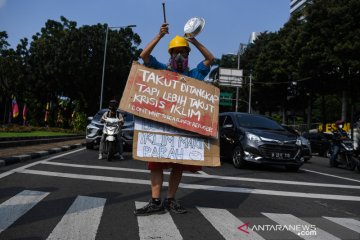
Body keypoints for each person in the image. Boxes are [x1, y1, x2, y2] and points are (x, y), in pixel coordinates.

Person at [134, 23, 214, 216]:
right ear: (170, 55)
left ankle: (170, 200)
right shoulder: (162, 70)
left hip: (182, 128)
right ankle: (155, 201)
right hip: (162, 125)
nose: (179, 57)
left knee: (178, 165)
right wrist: (159, 35)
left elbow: (210, 59)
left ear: (188, 55)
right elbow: (143, 56)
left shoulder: (194, 74)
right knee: (155, 163)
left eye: (183, 53)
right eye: (175, 53)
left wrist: (193, 40)